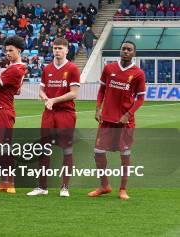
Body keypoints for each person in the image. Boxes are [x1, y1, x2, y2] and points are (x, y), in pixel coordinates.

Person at [89, 41, 145, 201]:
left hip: (125, 122)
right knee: (98, 152)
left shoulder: (138, 73)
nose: (126, 51)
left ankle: (122, 189)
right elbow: (101, 90)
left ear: (134, 53)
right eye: (124, 49)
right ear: (120, 51)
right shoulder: (109, 68)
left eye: (129, 50)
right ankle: (104, 185)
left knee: (125, 154)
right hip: (106, 119)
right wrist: (97, 109)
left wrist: (128, 114)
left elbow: (140, 99)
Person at [27, 38, 80, 197]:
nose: (57, 51)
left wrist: (54, 100)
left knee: (66, 149)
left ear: (66, 50)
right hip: (49, 113)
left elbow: (74, 93)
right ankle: (42, 187)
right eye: (55, 48)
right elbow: (41, 91)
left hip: (65, 112)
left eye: (60, 48)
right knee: (44, 149)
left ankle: (65, 187)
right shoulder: (47, 69)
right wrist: (46, 99)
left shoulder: (72, 69)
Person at [0, 36, 28, 194]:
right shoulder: (16, 69)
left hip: (2, 110)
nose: (8, 53)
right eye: (6, 51)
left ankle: (10, 182)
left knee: (4, 147)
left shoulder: (15, 69)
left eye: (11, 50)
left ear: (19, 50)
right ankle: (4, 181)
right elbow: (17, 91)